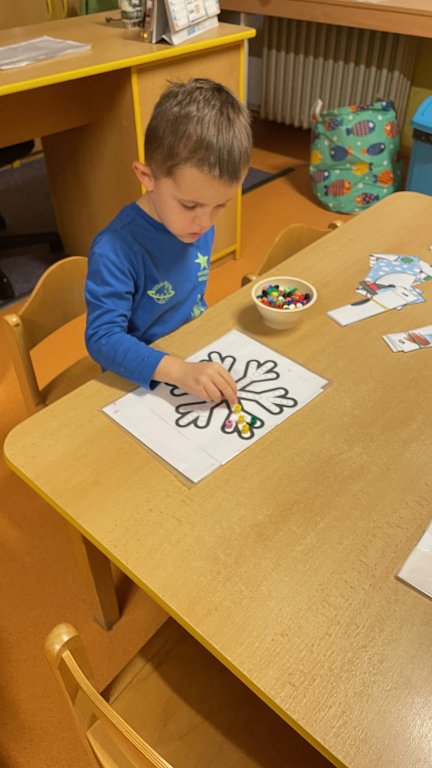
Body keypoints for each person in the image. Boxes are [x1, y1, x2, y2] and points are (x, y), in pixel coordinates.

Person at [85, 77, 252, 404]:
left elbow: (188, 300)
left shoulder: (195, 223)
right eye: (189, 205)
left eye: (219, 206)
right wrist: (180, 371)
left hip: (191, 351)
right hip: (139, 379)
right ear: (146, 176)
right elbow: (102, 339)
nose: (205, 223)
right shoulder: (114, 250)